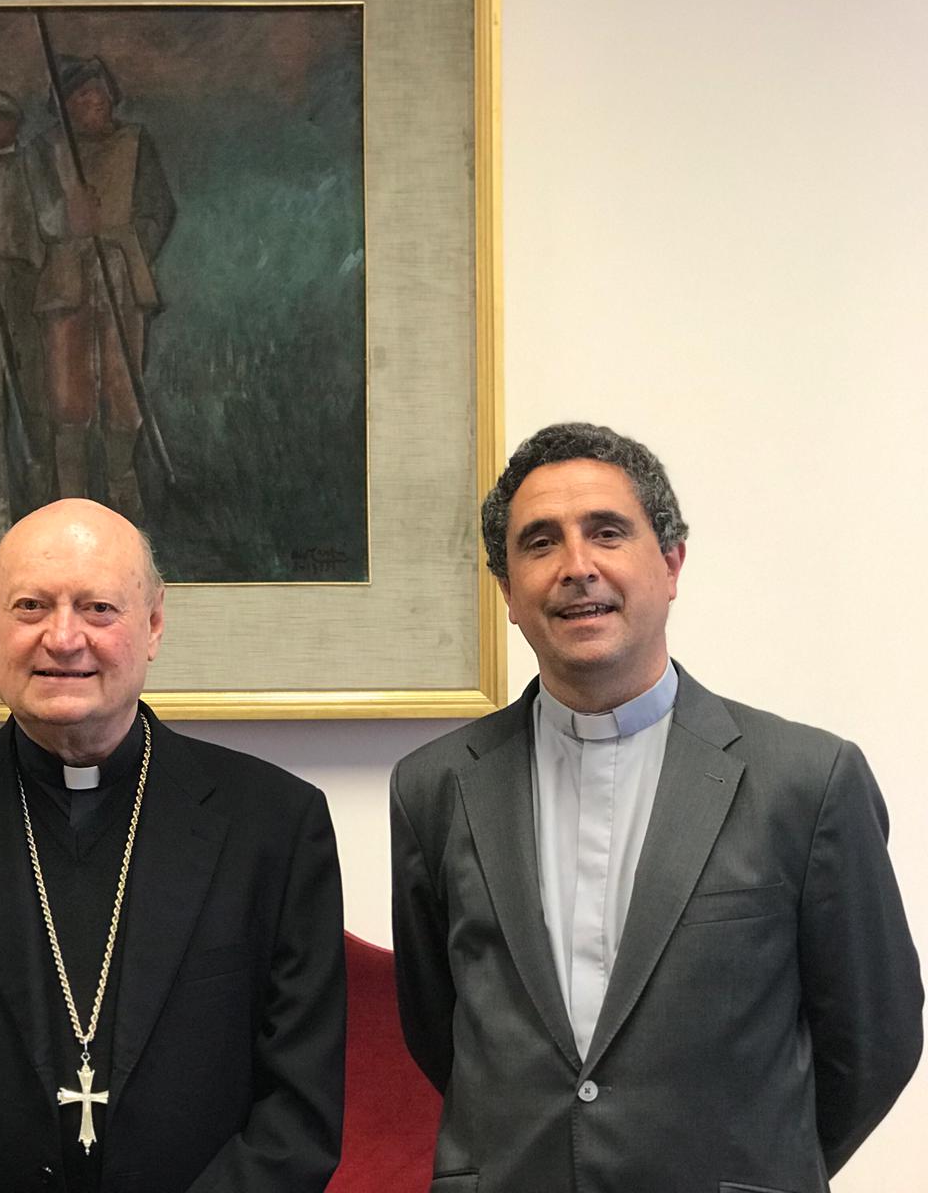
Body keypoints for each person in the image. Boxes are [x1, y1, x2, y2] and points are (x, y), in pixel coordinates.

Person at [389, 423, 922, 1191]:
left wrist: (764, 1169)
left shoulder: (806, 781)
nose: (577, 568)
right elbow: (438, 1028)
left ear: (670, 563)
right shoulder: (434, 788)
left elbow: (875, 1040)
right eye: (539, 544)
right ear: (508, 591)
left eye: (607, 532)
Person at [0, 498, 345, 1192]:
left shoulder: (274, 823)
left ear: (154, 624)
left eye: (98, 608)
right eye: (31, 607)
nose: (63, 637)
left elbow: (301, 1110)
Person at [33, 56, 176, 521]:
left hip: (121, 275)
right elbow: (39, 213)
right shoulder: (46, 148)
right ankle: (70, 500)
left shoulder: (136, 142)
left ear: (110, 93)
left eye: (96, 91)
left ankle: (121, 488)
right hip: (67, 281)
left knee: (122, 388)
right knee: (68, 395)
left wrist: (130, 246)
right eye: (77, 94)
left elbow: (158, 208)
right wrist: (68, 219)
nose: (89, 100)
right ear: (64, 105)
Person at [0, 87, 54, 534]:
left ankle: (40, 500)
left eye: (1, 118)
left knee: (36, 397)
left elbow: (56, 221)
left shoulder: (34, 166)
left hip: (28, 285)